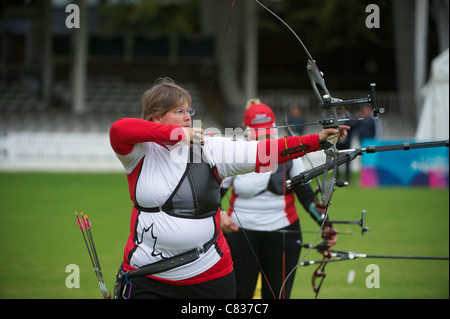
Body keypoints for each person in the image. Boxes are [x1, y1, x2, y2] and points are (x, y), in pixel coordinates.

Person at [109, 78, 349, 299]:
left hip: (208, 274)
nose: (187, 117)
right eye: (179, 111)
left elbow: (263, 153)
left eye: (189, 111)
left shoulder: (209, 147)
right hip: (147, 274)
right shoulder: (139, 152)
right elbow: (119, 129)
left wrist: (316, 141)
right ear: (156, 117)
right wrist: (174, 135)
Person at [220, 99, 338, 299]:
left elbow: (306, 196)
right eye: (257, 131)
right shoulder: (235, 153)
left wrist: (325, 224)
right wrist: (220, 215)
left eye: (267, 130)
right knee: (239, 294)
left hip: (283, 234)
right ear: (246, 130)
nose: (264, 135)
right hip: (241, 233)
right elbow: (212, 195)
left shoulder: (289, 153)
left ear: (274, 128)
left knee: (278, 295)